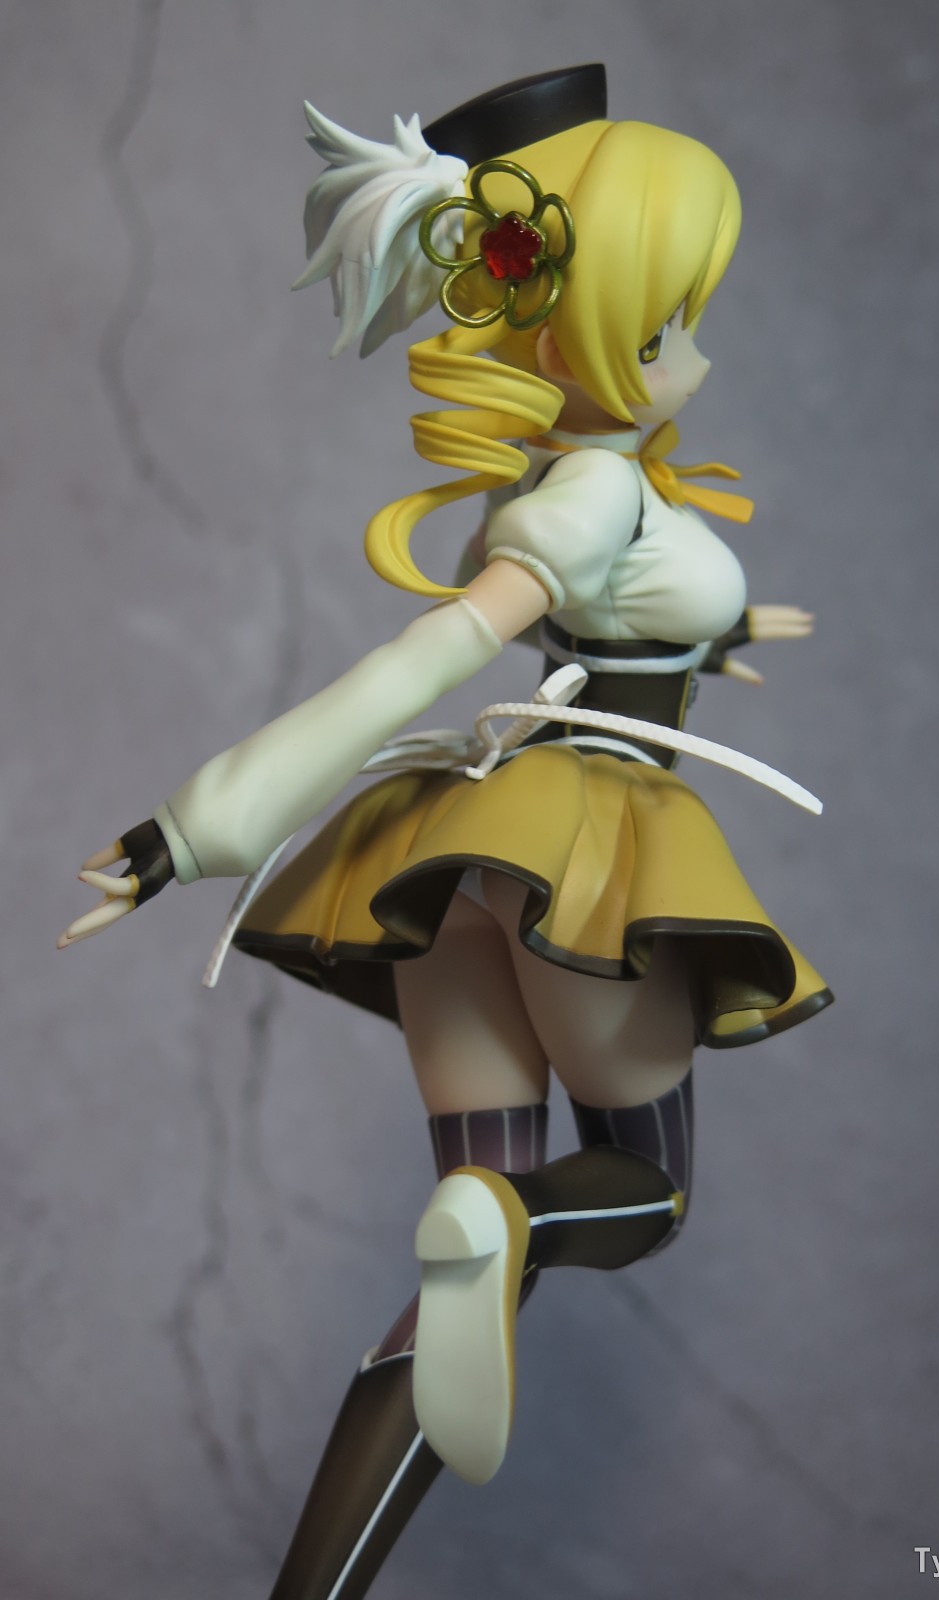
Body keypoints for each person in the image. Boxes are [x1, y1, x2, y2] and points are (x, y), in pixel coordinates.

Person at [59, 65, 832, 1600]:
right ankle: (510, 1219)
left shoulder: (563, 488)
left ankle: (315, 1581)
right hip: (582, 859)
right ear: (578, 328)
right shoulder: (587, 500)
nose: (691, 356)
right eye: (666, 326)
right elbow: (421, 663)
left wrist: (727, 632)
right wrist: (197, 826)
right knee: (643, 1195)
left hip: (460, 871)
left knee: (455, 1285)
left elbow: (620, 619)